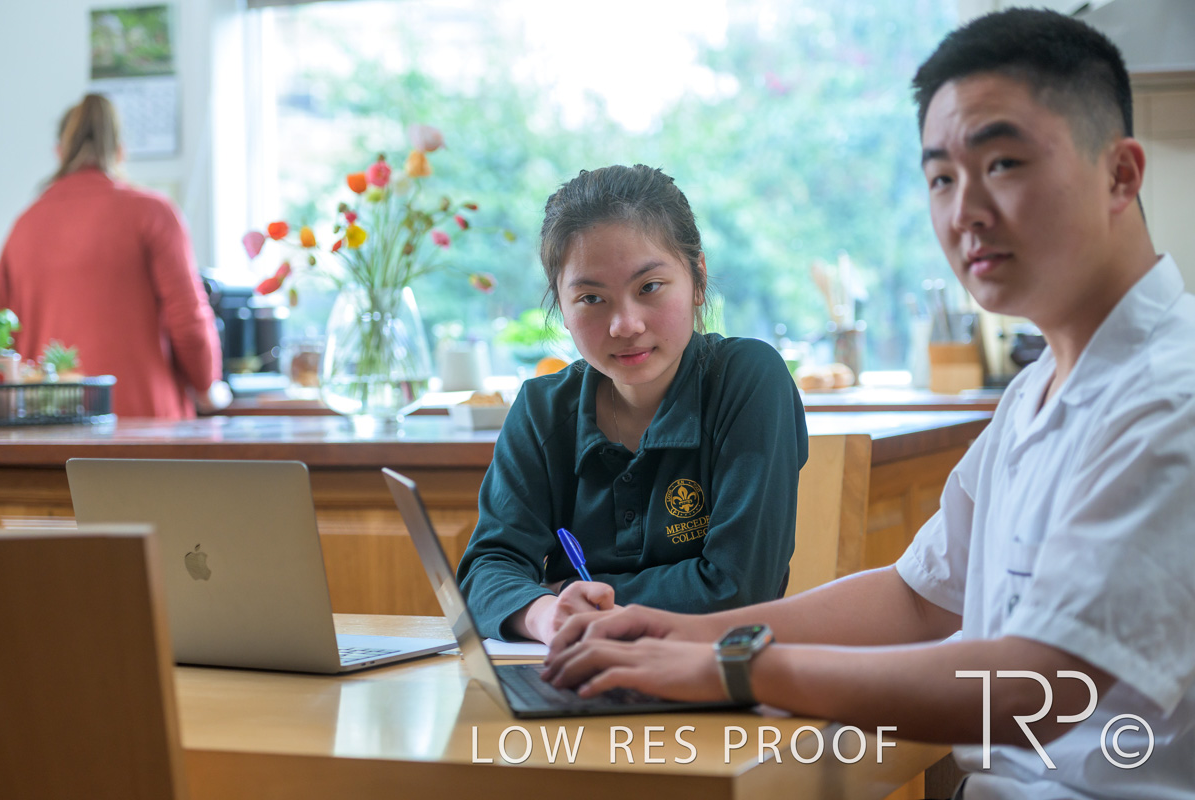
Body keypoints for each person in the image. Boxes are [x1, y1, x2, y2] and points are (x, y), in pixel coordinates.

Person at [541, 10, 1195, 800]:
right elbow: (917, 598)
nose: (964, 210)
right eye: (942, 178)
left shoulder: (1172, 394)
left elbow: (1037, 684)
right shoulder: (1040, 388)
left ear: (1120, 174)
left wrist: (733, 665)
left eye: (1004, 163)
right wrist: (683, 632)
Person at [456, 164, 808, 644]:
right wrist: (547, 614)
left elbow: (738, 591)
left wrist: (567, 592)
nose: (625, 325)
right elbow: (486, 571)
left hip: (712, 674)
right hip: (577, 673)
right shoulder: (541, 409)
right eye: (591, 298)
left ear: (698, 278)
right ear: (562, 306)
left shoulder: (748, 379)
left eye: (649, 287)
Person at [0, 94, 223, 418]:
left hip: (51, 425)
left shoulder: (24, 225)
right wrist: (207, 386)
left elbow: (1, 338)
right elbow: (188, 320)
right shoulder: (152, 214)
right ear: (121, 150)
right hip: (147, 424)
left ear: (59, 152)